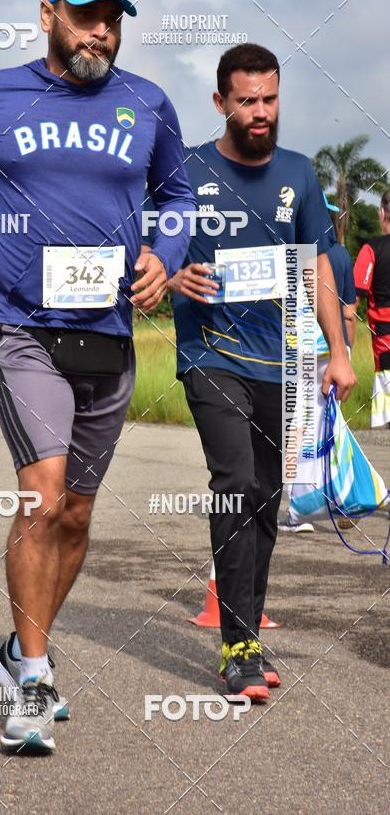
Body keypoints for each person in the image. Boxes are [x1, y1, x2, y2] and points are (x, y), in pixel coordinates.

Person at [0, 0, 196, 751]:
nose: (102, 31)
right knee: (43, 498)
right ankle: (35, 683)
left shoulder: (148, 103)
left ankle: (16, 649)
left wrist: (164, 255)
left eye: (114, 18)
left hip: (108, 332)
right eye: (86, 15)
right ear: (48, 14)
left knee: (77, 514)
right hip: (22, 328)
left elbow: (177, 194)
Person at [168, 43, 355, 701]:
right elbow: (146, 247)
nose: (260, 111)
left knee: (268, 497)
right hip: (209, 355)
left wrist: (339, 350)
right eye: (246, 100)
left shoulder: (301, 175)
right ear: (221, 101)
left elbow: (319, 267)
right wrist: (171, 272)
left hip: (281, 363)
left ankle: (247, 626)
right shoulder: (186, 169)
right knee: (237, 477)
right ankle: (239, 644)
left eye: (270, 99)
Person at [279, 196, 357, 534]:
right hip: (333, 349)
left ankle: (296, 507)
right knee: (332, 424)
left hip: (296, 350)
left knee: (296, 425)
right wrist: (346, 350)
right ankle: (342, 495)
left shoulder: (289, 250)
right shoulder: (340, 255)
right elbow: (350, 311)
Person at [354, 190, 390, 428]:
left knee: (384, 432)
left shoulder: (371, 249)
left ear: (382, 212)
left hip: (386, 346)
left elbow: (353, 298)